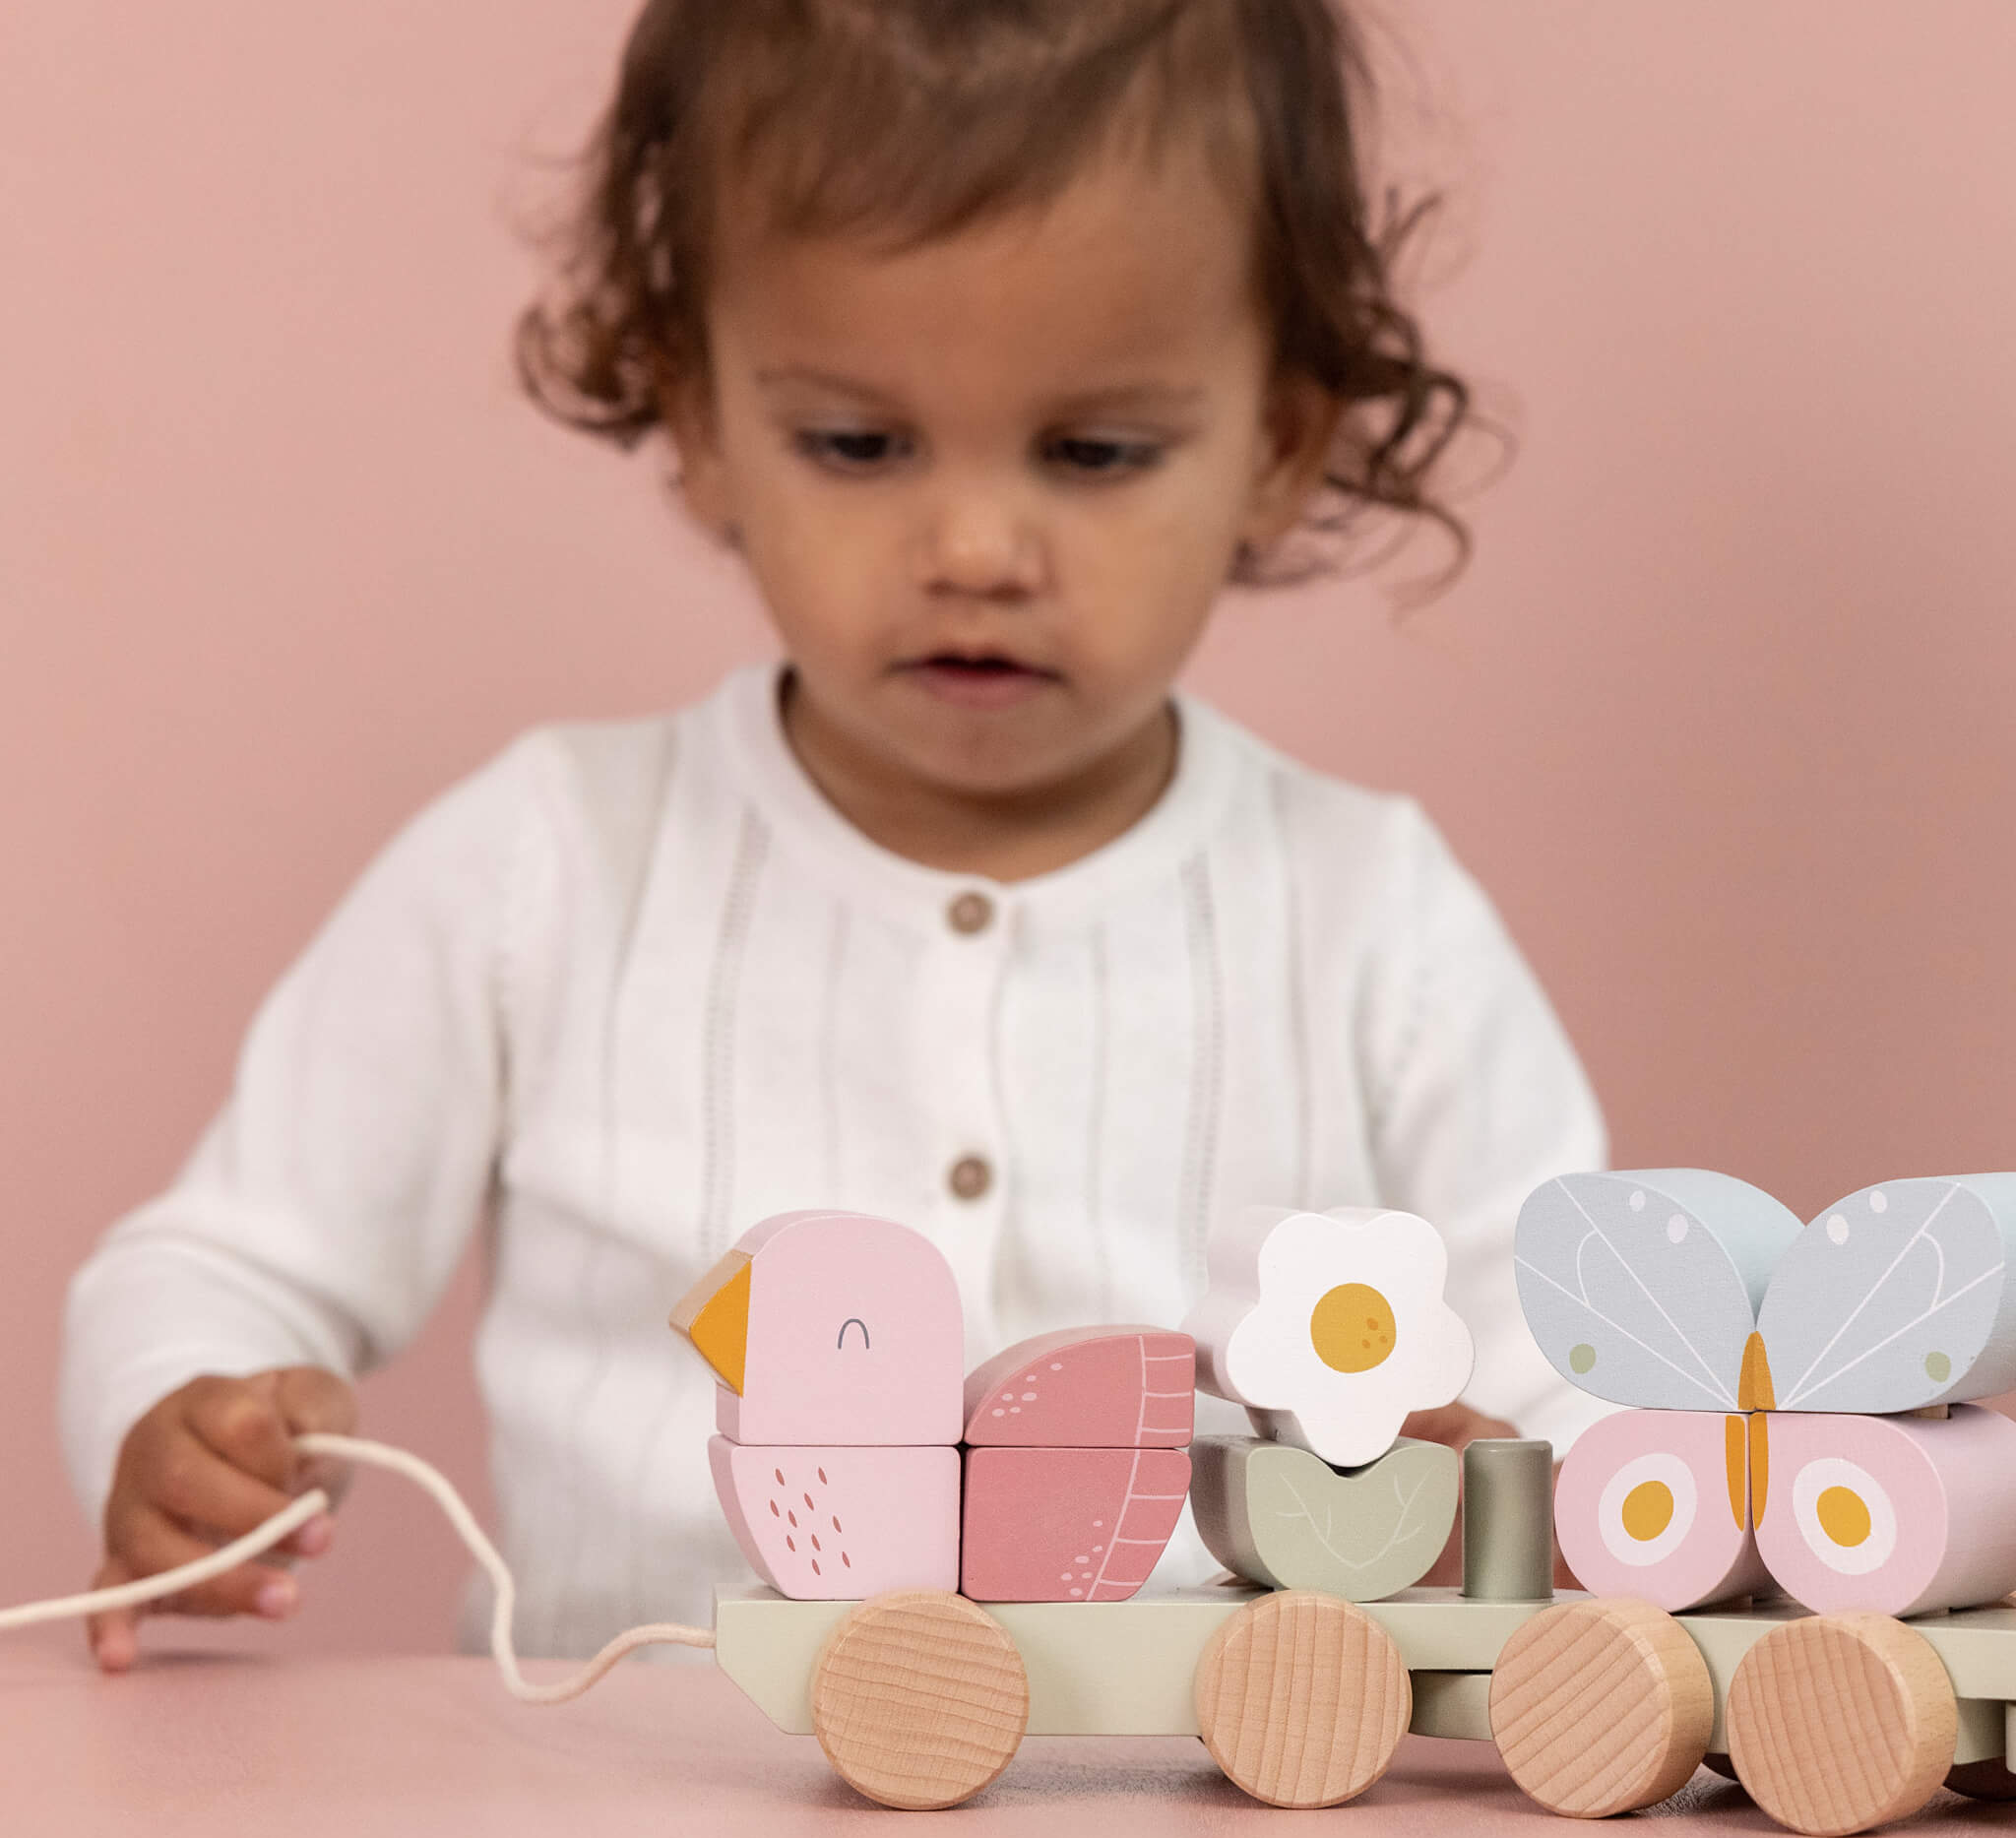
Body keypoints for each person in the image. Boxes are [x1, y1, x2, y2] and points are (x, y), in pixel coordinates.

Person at [60, 0, 1607, 1674]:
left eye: (1092, 452)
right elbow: (225, 1259)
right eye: (857, 444)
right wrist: (184, 1417)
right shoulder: (554, 861)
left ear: (1278, 447)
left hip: (1211, 1816)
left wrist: (1523, 1504)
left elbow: (1564, 1384)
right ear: (705, 419)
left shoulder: (1368, 916)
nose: (971, 545)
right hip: (638, 1827)